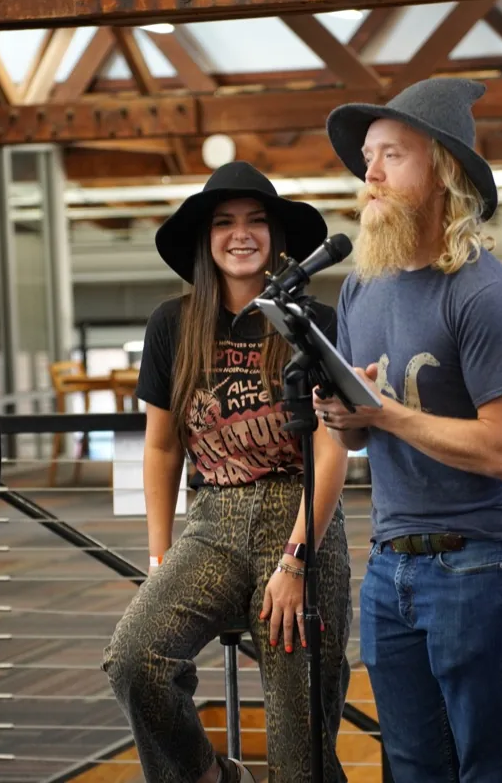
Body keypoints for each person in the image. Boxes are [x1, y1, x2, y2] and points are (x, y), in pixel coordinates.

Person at [312, 78, 502, 782]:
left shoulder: (484, 294)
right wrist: (345, 417)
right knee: (412, 769)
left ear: (442, 171)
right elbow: (362, 437)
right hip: (391, 566)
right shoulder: (360, 288)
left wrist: (385, 413)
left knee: (490, 768)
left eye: (392, 156)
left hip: (481, 564)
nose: (371, 175)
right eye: (368, 158)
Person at [103, 161, 354, 783]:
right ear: (205, 239)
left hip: (299, 518)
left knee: (300, 752)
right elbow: (161, 447)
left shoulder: (313, 323)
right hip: (212, 519)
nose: (240, 234)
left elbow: (332, 450)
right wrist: (159, 556)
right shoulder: (172, 324)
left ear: (276, 236)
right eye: (224, 223)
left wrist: (296, 560)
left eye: (255, 221)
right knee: (135, 659)